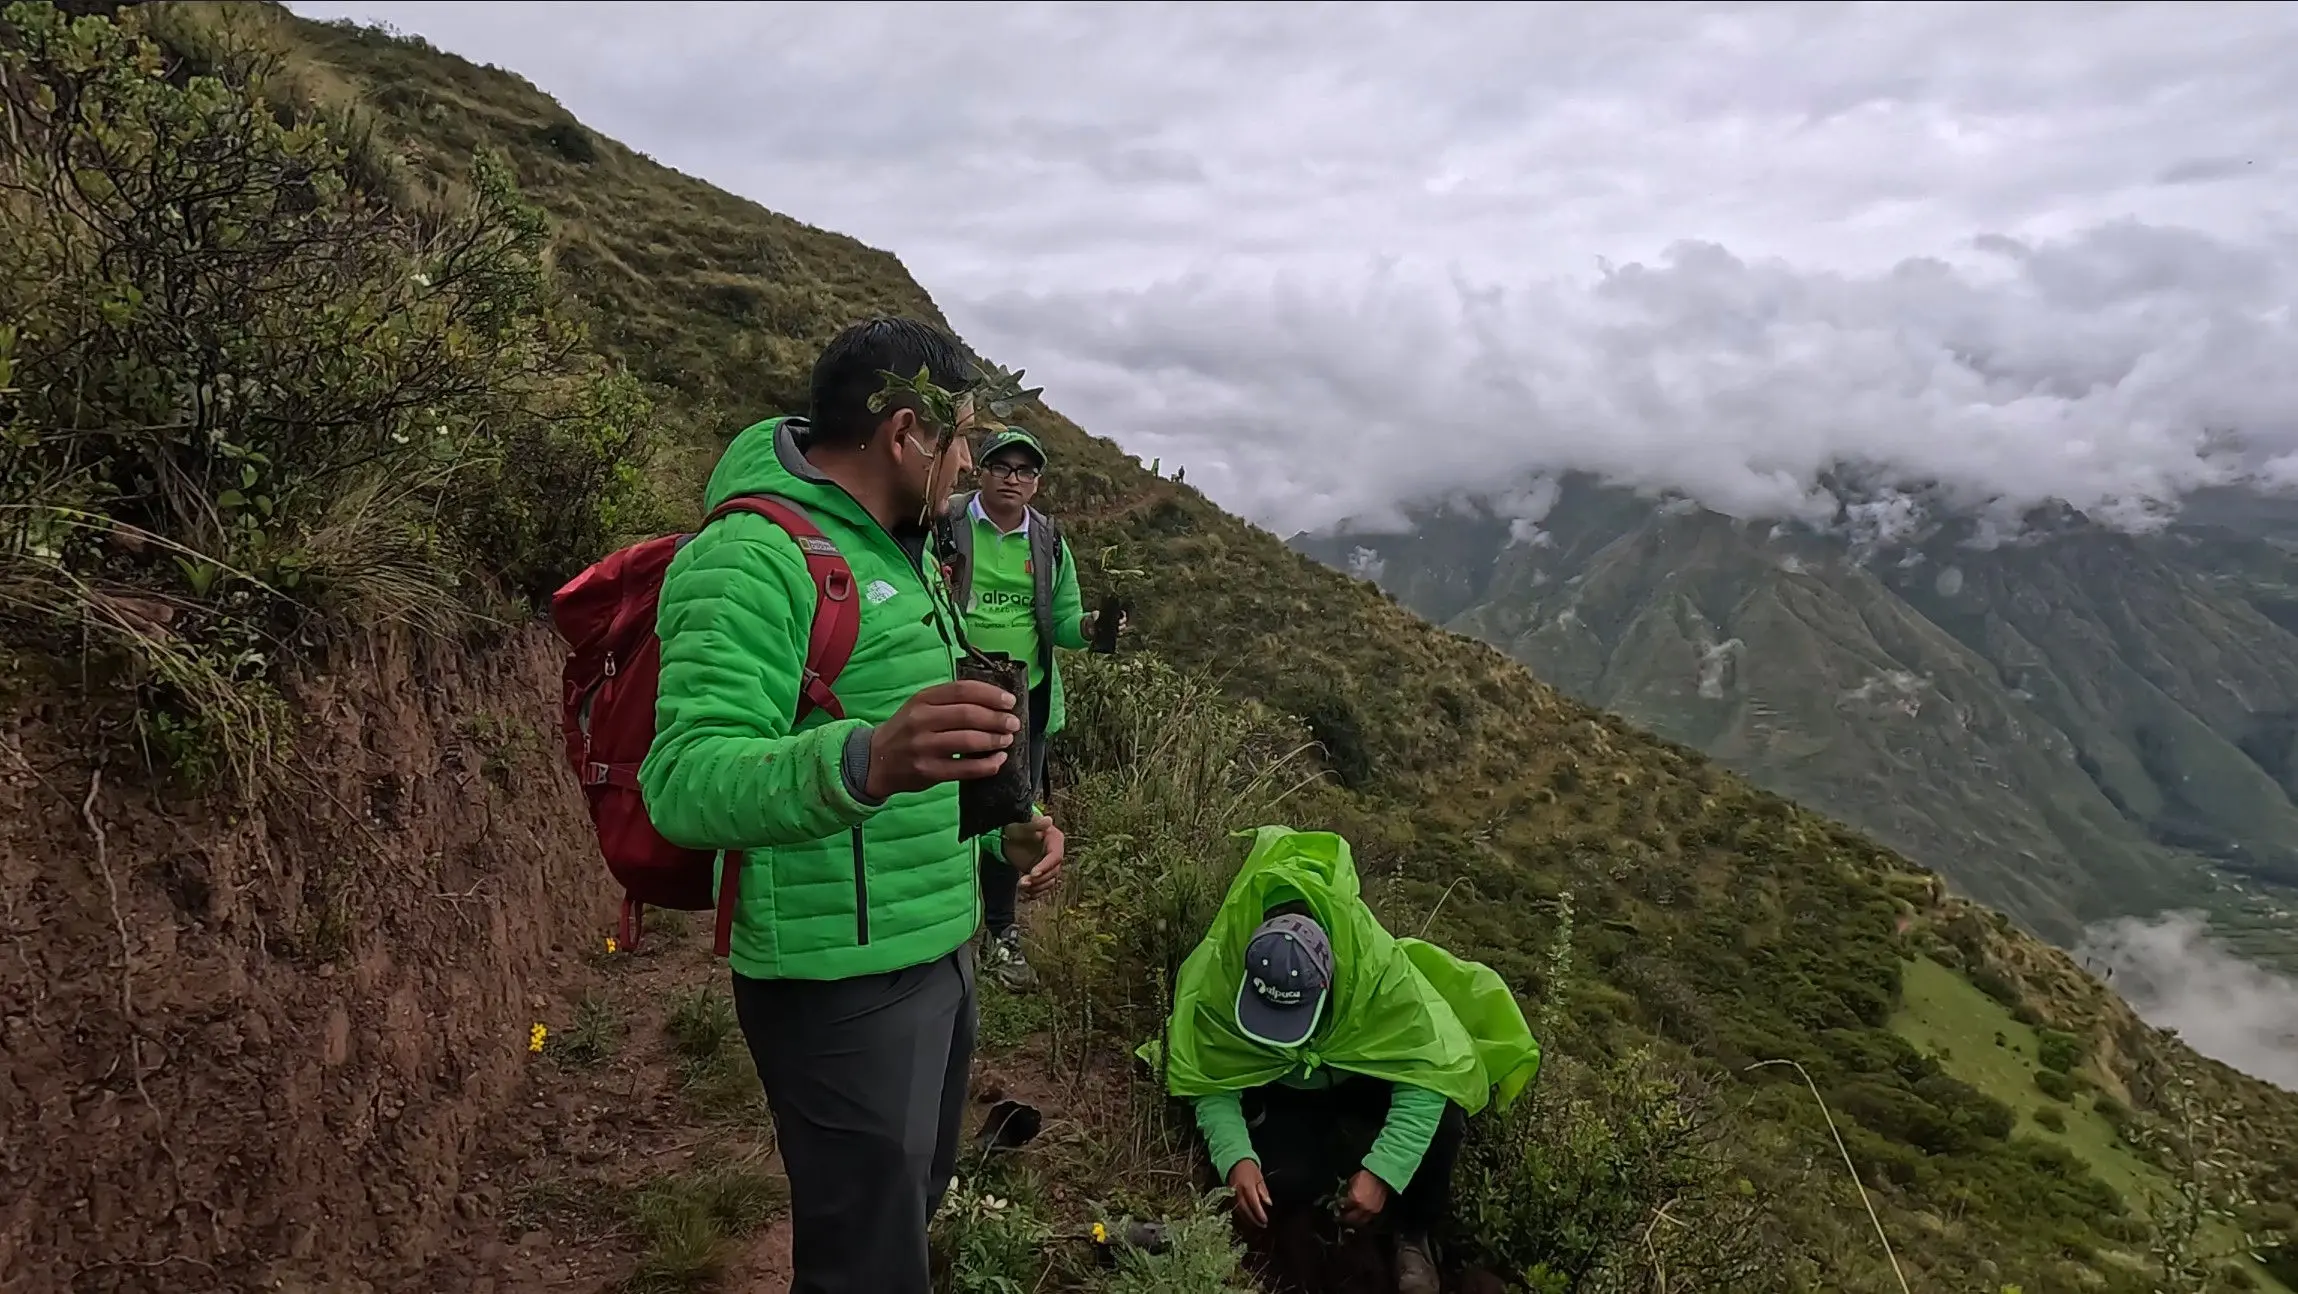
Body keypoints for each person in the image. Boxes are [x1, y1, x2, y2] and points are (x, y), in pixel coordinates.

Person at [641, 317, 1066, 1294]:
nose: (968, 461)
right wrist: (868, 760)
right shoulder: (749, 556)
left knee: (901, 1213)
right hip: (834, 982)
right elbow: (684, 779)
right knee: (864, 1264)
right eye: (959, 438)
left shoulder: (905, 547)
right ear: (905, 432)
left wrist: (1009, 823)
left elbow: (927, 724)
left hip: (937, 947)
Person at [1147, 826, 1540, 1294]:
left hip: (1363, 1073)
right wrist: (1236, 1160)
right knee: (1282, 1183)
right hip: (1286, 1084)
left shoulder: (1378, 977)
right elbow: (1211, 1075)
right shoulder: (1224, 968)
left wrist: (1383, 1172)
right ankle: (1317, 1208)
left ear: (1329, 987)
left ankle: (1413, 1236)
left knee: (1445, 1122)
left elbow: (1429, 1072)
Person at [936, 426, 1122, 991]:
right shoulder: (947, 523)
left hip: (1025, 705)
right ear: (982, 471)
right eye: (1002, 467)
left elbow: (1062, 623)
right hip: (952, 691)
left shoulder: (1048, 541)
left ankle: (999, 932)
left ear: (1037, 483)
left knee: (1011, 814)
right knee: (937, 803)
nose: (1012, 478)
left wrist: (1091, 628)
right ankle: (939, 921)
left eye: (1025, 471)